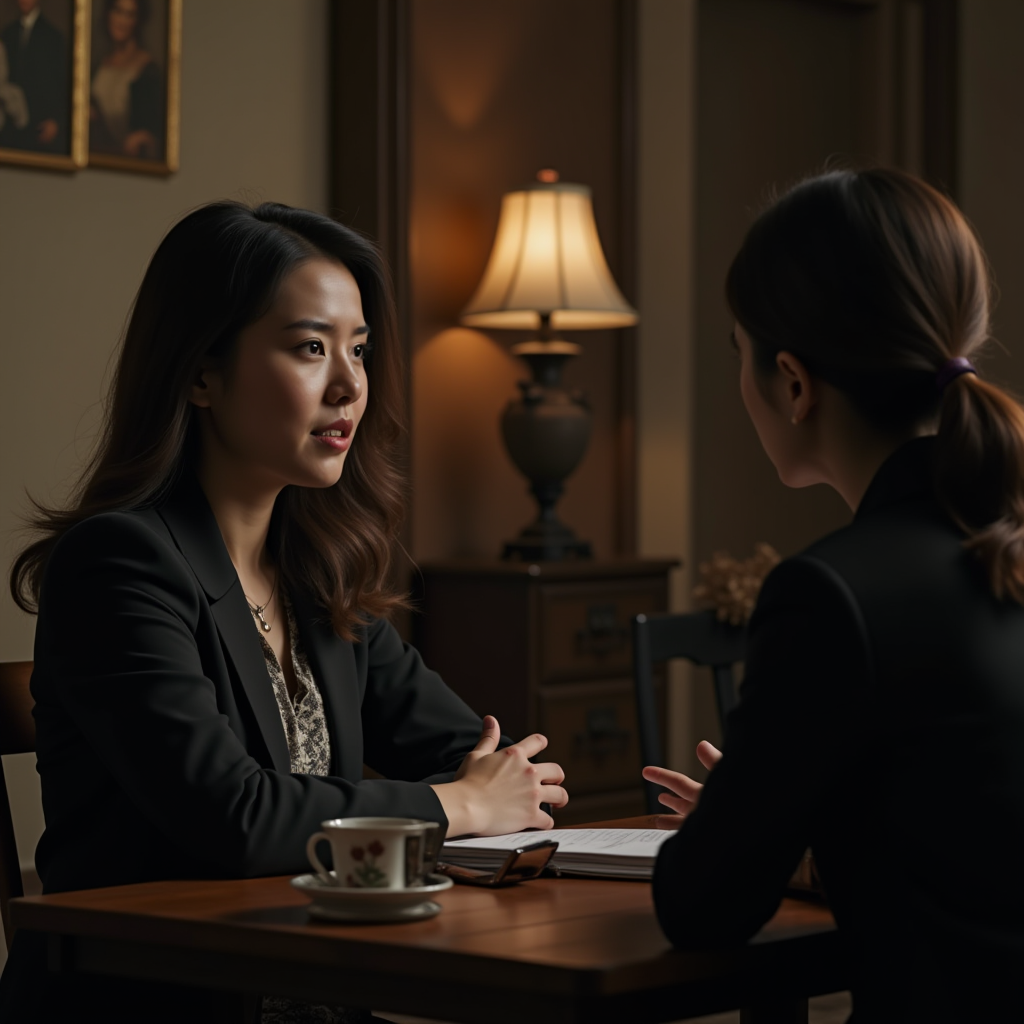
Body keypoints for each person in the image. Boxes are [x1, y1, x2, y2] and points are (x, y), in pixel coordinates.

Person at [0, 201, 568, 1024]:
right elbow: (234, 817)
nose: (350, 386)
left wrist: (500, 782)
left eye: (359, 351)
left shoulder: (317, 571)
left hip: (319, 994)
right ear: (201, 373)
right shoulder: (118, 565)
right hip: (156, 1008)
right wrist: (461, 805)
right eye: (311, 348)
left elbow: (475, 750)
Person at [644, 169, 1024, 1023]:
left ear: (791, 381)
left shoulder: (832, 596)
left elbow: (701, 907)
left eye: (738, 355)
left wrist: (746, 831)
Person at [89, 0, 162, 159]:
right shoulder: (98, 65)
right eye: (117, 11)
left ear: (137, 21)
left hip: (130, 161)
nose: (121, 21)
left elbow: (152, 130)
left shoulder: (147, 70)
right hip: (100, 155)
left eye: (129, 15)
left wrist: (144, 138)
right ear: (108, 13)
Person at [0, 0, 68, 153]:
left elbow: (61, 84)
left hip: (40, 126)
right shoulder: (7, 34)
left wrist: (56, 121)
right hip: (9, 128)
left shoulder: (53, 36)